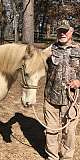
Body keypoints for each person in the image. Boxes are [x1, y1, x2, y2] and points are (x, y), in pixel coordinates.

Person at [44, 19, 80, 160]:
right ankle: (52, 157)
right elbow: (34, 64)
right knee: (51, 130)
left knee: (69, 131)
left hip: (72, 99)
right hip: (51, 97)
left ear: (71, 32)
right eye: (60, 30)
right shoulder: (49, 50)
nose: (62, 33)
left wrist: (79, 81)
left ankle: (67, 157)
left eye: (65, 31)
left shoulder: (78, 49)